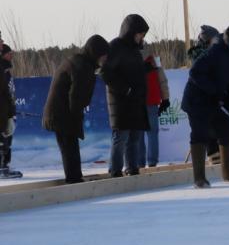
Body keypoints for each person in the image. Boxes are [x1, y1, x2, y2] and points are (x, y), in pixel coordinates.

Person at [181, 23, 229, 188]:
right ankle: (199, 178)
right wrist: (213, 91)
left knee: (228, 132)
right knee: (200, 135)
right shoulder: (216, 52)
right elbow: (195, 73)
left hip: (215, 100)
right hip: (197, 101)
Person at [42, 35, 110, 183]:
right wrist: (76, 117)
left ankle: (74, 177)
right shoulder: (82, 66)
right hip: (62, 114)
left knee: (70, 147)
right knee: (69, 148)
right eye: (104, 55)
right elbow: (76, 97)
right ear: (96, 53)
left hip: (60, 113)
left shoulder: (80, 62)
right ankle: (73, 179)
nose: (105, 59)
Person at [101, 14, 150, 177]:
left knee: (135, 137)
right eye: (140, 34)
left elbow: (134, 71)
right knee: (121, 137)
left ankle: (132, 167)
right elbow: (106, 73)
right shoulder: (115, 46)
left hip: (135, 101)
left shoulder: (135, 50)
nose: (142, 38)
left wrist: (146, 69)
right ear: (131, 32)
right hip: (120, 102)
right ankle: (115, 171)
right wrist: (125, 89)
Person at [188, 25, 222, 162]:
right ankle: (214, 157)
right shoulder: (200, 55)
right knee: (206, 128)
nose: (217, 41)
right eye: (215, 39)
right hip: (199, 98)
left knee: (215, 126)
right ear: (207, 40)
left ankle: (218, 156)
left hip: (210, 96)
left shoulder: (213, 53)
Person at [138, 48, 171, 168]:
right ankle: (152, 162)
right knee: (152, 133)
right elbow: (162, 80)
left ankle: (139, 163)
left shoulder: (130, 58)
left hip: (136, 102)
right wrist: (165, 98)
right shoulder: (154, 59)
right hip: (152, 101)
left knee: (138, 135)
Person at [0, 42, 21, 179]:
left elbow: (9, 92)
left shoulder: (6, 70)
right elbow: (4, 92)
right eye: (9, 53)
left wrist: (12, 109)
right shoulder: (2, 69)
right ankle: (3, 168)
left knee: (8, 138)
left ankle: (5, 166)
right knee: (3, 139)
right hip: (3, 111)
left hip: (7, 110)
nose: (11, 55)